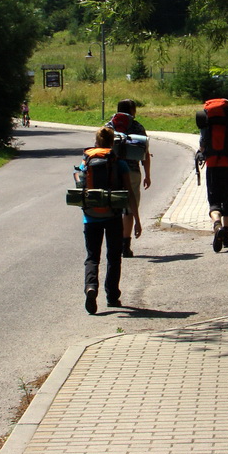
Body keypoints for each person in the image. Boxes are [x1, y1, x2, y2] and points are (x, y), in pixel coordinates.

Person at [77, 127, 142, 314]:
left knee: (92, 257)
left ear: (96, 142)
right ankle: (112, 296)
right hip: (113, 216)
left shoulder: (86, 162)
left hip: (90, 217)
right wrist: (136, 220)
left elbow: (81, 186)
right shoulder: (119, 163)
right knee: (113, 257)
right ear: (112, 143)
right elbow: (129, 193)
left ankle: (91, 287)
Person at [197, 99, 228, 252]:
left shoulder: (207, 125)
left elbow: (202, 146)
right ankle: (227, 235)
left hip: (212, 165)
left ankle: (217, 225)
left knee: (214, 202)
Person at [106, 99, 151, 257]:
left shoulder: (108, 126)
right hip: (132, 171)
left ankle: (114, 243)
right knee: (129, 209)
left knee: (113, 207)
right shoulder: (138, 127)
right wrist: (147, 175)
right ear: (132, 110)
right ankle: (126, 245)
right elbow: (144, 153)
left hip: (111, 171)